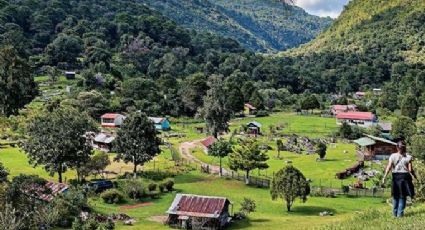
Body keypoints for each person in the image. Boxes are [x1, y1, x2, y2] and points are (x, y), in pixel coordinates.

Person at [382, 140, 416, 217]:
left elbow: (389, 167)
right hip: (405, 178)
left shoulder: (392, 156)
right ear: (405, 148)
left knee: (395, 195)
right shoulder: (408, 157)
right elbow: (410, 170)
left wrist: (384, 177)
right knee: (402, 196)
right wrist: (415, 177)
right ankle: (399, 215)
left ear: (397, 147)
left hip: (396, 177)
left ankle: (394, 214)